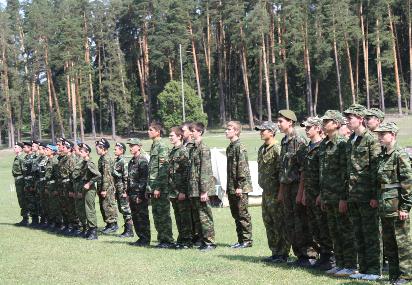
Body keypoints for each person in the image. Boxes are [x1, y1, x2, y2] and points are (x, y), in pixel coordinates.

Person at [344, 104, 382, 281]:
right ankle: (364, 267)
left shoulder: (371, 139)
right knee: (358, 232)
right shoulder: (351, 140)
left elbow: (375, 169)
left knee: (371, 233)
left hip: (367, 195)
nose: (348, 121)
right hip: (353, 195)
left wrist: (375, 195)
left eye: (350, 118)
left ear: (360, 119)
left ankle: (374, 269)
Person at [319, 110, 357, 276]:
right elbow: (323, 172)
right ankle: (340, 263)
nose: (323, 123)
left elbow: (345, 172)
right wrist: (322, 194)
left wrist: (344, 197)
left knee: (345, 231)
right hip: (328, 195)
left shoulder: (342, 143)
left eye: (327, 121)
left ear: (336, 123)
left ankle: (350, 264)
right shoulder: (324, 143)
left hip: (339, 195)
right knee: (334, 231)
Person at [277, 110, 316, 266]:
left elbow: (303, 169)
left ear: (290, 122)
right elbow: (283, 168)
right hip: (286, 187)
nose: (278, 124)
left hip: (296, 186)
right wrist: (281, 191)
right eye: (278, 121)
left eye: (281, 121)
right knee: (290, 222)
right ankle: (299, 255)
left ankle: (309, 256)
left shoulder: (299, 141)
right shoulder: (284, 141)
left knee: (301, 222)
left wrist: (302, 192)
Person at [374, 122, 412, 285]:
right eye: (379, 134)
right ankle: (394, 275)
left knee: (402, 242)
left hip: (397, 206)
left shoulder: (399, 154)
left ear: (393, 135)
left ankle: (406, 275)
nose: (380, 137)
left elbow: (408, 182)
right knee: (389, 242)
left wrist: (405, 207)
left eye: (383, 134)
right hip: (385, 206)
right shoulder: (383, 155)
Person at [298, 117, 334, 269]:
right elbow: (305, 173)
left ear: (318, 128)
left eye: (309, 127)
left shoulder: (323, 146)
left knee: (324, 226)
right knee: (315, 227)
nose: (307, 130)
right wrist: (304, 192)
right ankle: (323, 255)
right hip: (310, 193)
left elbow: (325, 173)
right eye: (305, 128)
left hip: (320, 193)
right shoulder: (308, 148)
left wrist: (321, 193)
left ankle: (330, 256)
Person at [255, 121, 289, 262]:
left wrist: (281, 192)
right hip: (266, 192)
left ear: (272, 132)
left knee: (279, 223)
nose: (261, 132)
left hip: (276, 192)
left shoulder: (277, 149)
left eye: (264, 130)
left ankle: (282, 254)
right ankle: (275, 252)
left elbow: (282, 173)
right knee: (268, 222)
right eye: (260, 130)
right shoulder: (262, 149)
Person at [188, 122, 216, 251]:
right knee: (198, 217)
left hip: (201, 189)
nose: (191, 133)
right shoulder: (193, 148)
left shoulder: (203, 148)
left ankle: (210, 242)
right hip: (194, 189)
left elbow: (205, 170)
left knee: (205, 216)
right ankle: (202, 241)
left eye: (193, 131)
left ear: (199, 132)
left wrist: (204, 191)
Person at [225, 121, 253, 248]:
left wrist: (240, 186)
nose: (226, 131)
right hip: (232, 186)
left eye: (229, 129)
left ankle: (247, 240)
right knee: (236, 214)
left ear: (236, 131)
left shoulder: (239, 146)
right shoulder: (230, 147)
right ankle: (240, 240)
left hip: (240, 187)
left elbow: (242, 168)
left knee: (243, 214)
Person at [147, 122, 174, 248]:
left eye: (151, 130)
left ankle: (168, 240)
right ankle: (161, 239)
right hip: (153, 186)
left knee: (163, 214)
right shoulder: (154, 145)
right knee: (157, 214)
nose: (149, 132)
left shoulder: (162, 146)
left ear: (158, 132)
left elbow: (163, 169)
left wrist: (158, 187)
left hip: (160, 187)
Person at [168, 126, 192, 249]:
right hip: (173, 190)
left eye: (172, 135)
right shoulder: (173, 151)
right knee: (178, 216)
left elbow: (186, 172)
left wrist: (183, 191)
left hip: (181, 190)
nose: (170, 137)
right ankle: (181, 239)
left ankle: (187, 241)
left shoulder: (183, 151)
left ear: (179, 136)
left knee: (184, 217)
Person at [127, 138, 150, 246]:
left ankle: (145, 239)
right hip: (132, 193)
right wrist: (127, 193)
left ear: (139, 146)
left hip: (139, 194)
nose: (130, 148)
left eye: (132, 145)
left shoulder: (142, 161)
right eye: (130, 146)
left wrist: (140, 195)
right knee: (135, 217)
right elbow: (129, 179)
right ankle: (140, 238)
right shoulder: (132, 161)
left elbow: (144, 179)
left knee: (142, 217)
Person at [182, 122, 202, 246]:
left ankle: (200, 237)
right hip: (188, 184)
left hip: (195, 186)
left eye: (184, 130)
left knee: (198, 214)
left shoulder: (193, 146)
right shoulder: (186, 145)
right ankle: (193, 236)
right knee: (191, 214)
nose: (182, 132)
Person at [96, 138, 119, 234]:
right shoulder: (102, 158)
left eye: (98, 148)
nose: (96, 149)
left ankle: (113, 224)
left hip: (108, 186)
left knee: (109, 205)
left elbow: (106, 175)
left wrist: (104, 189)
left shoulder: (106, 159)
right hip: (102, 185)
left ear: (103, 148)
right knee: (104, 206)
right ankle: (108, 224)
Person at [79, 143, 101, 240]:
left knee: (90, 210)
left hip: (90, 190)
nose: (80, 153)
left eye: (82, 151)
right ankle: (89, 229)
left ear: (87, 152)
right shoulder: (84, 163)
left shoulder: (90, 163)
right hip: (84, 189)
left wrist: (89, 183)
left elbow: (98, 175)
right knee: (85, 209)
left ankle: (94, 231)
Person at [113, 142, 134, 238]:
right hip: (118, 188)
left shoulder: (123, 161)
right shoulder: (117, 160)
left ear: (122, 150)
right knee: (122, 209)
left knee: (126, 210)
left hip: (122, 188)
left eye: (116, 149)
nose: (114, 151)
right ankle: (126, 229)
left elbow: (126, 177)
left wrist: (126, 191)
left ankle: (129, 230)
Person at [57, 138, 77, 235]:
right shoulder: (64, 158)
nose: (62, 148)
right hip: (63, 185)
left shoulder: (71, 159)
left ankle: (75, 226)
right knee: (65, 206)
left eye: (64, 147)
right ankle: (69, 225)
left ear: (69, 149)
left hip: (69, 185)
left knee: (72, 207)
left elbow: (73, 176)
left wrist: (72, 189)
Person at [72, 143, 87, 236]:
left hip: (81, 187)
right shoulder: (77, 159)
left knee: (83, 209)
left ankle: (85, 227)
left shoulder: (84, 161)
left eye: (77, 149)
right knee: (78, 208)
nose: (75, 150)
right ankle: (82, 227)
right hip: (76, 186)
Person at [44, 144, 60, 231]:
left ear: (53, 151)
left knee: (56, 205)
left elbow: (57, 177)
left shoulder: (55, 161)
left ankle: (58, 224)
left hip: (54, 186)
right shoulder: (49, 160)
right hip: (50, 185)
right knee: (51, 205)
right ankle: (53, 222)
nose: (45, 150)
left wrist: (56, 189)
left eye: (47, 149)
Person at [12, 142, 28, 226]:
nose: (14, 149)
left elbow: (24, 171)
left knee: (23, 199)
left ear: (21, 148)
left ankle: (26, 219)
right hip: (18, 181)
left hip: (21, 181)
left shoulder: (22, 158)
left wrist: (26, 184)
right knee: (20, 199)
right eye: (14, 147)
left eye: (16, 147)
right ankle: (24, 218)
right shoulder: (17, 157)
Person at [22, 141, 37, 226]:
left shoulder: (33, 158)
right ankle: (33, 219)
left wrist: (32, 184)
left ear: (29, 148)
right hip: (27, 183)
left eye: (25, 147)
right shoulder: (26, 157)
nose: (23, 148)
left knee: (33, 201)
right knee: (29, 201)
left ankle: (35, 220)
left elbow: (33, 173)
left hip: (31, 182)